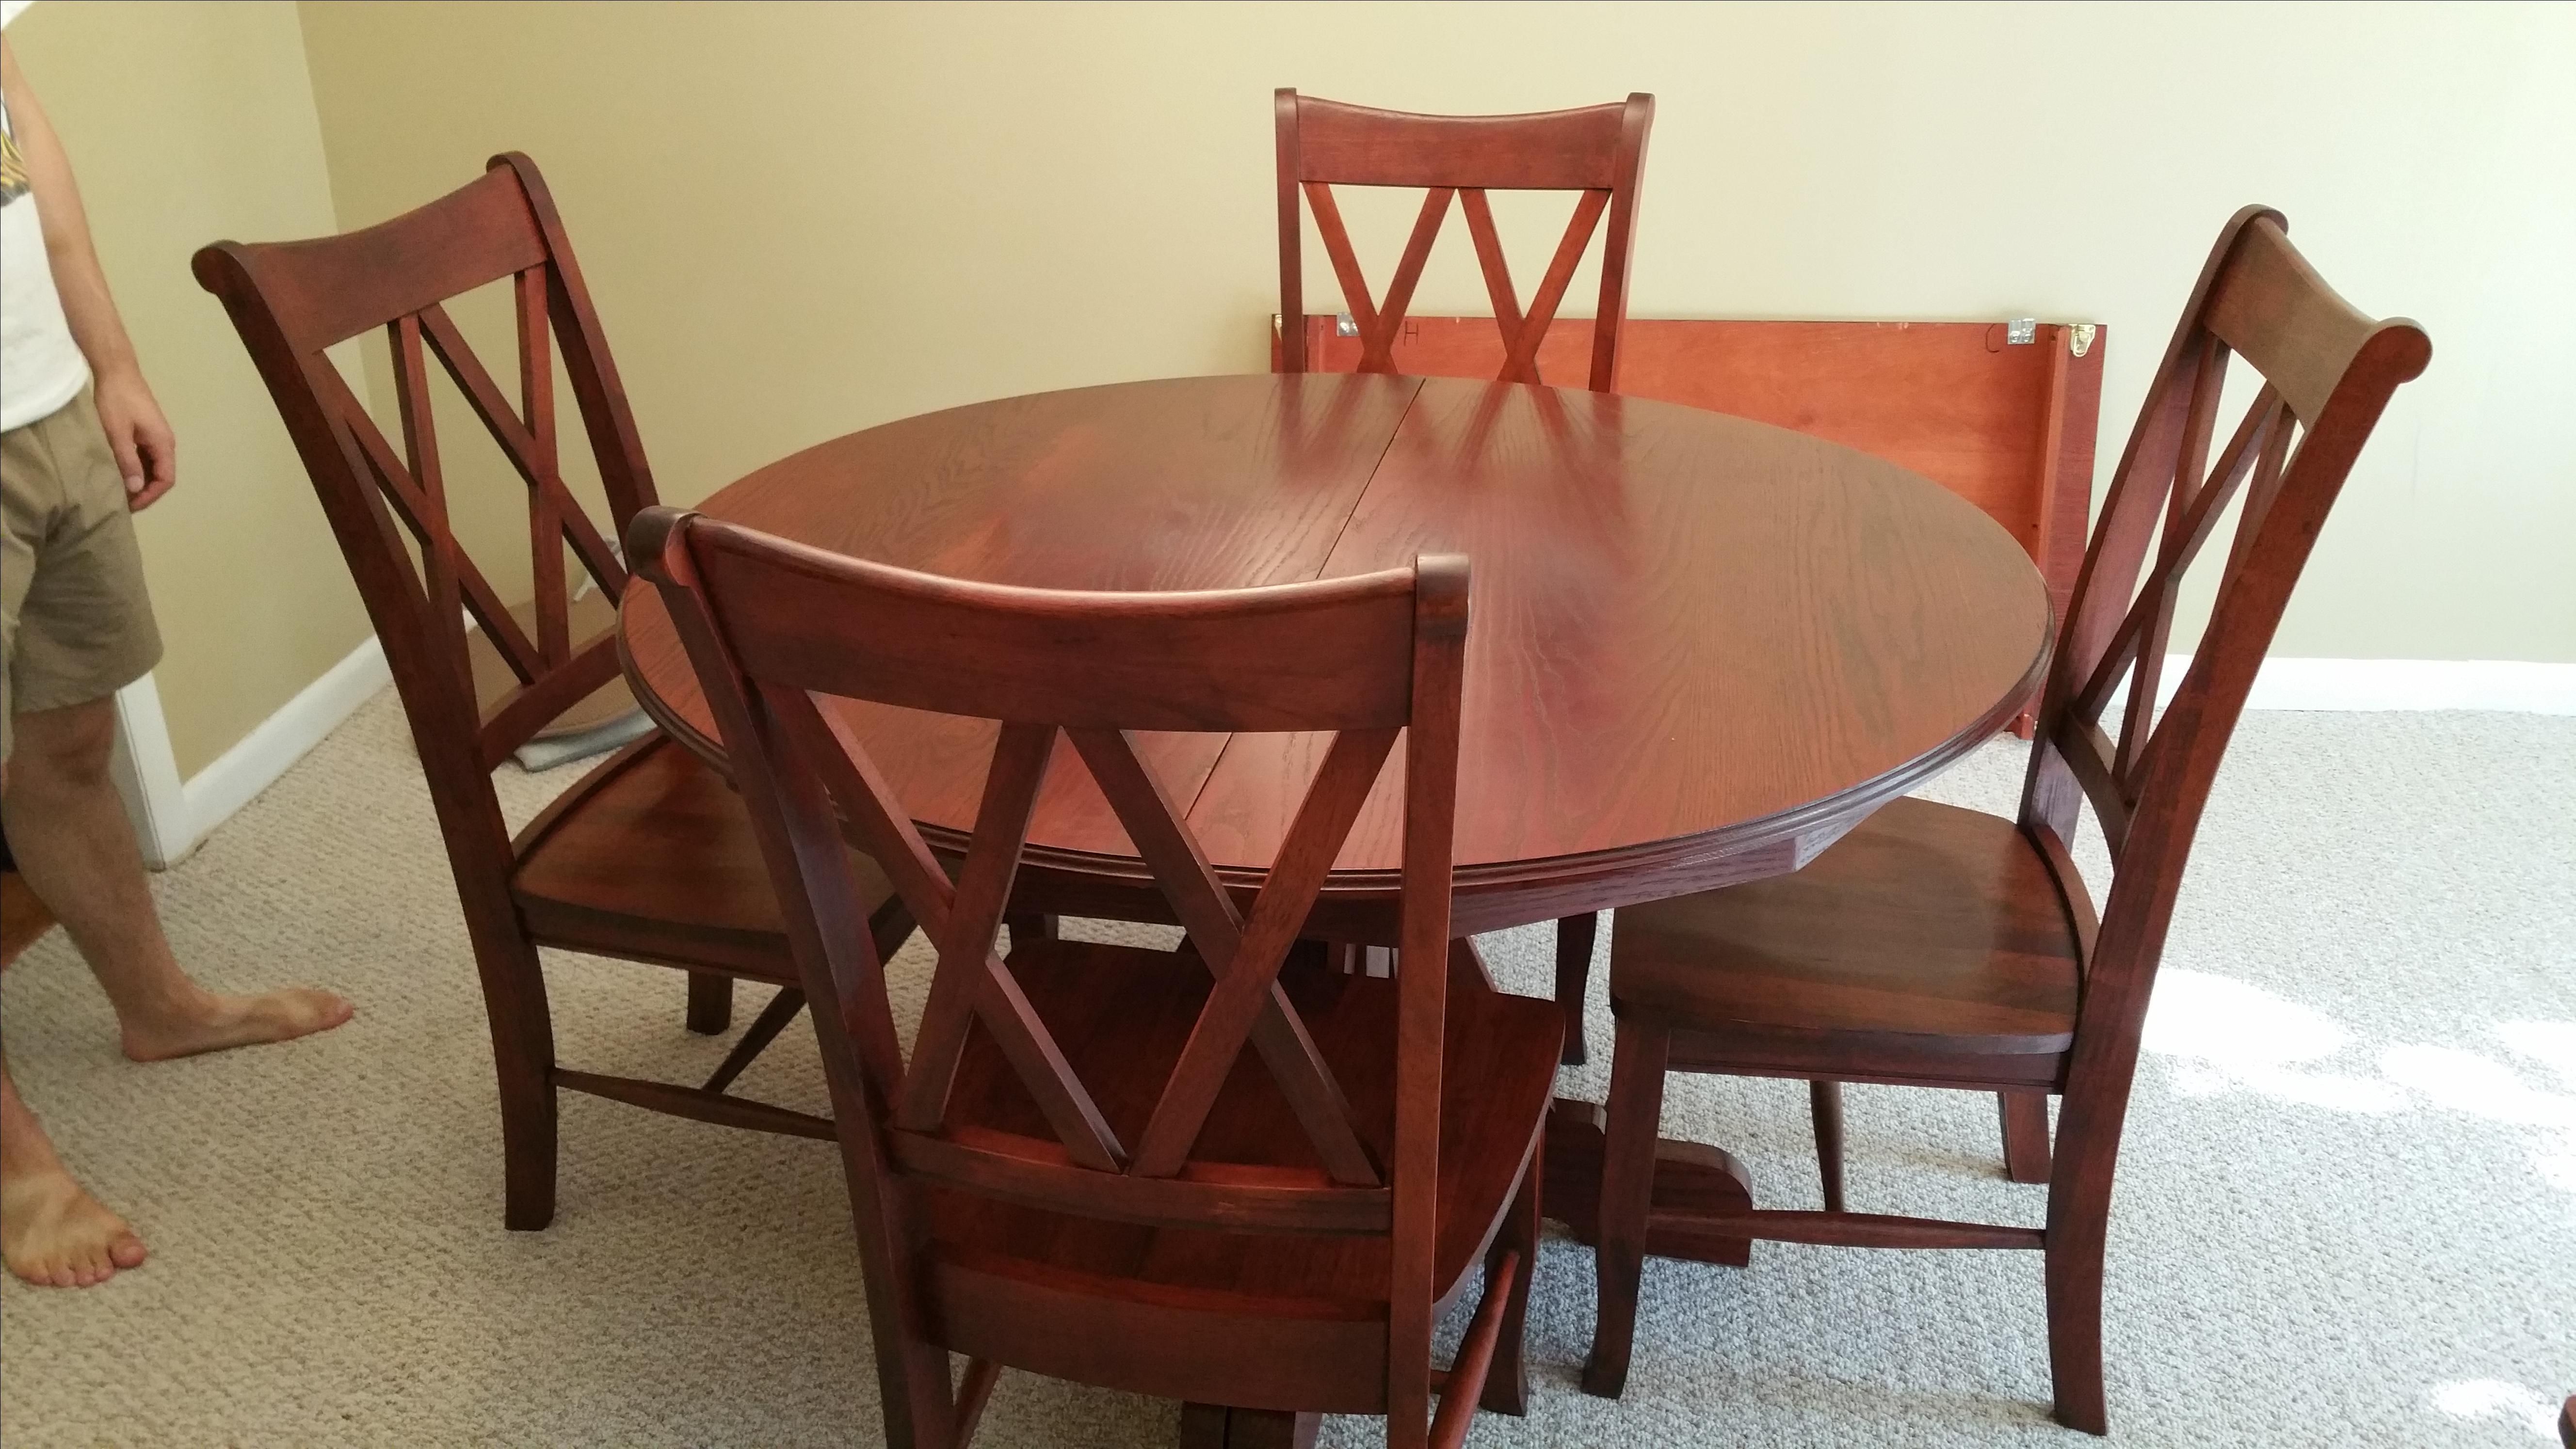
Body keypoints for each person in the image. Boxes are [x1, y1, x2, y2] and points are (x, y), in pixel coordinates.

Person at [0, 3, 352, 1289]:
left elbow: (20, 125)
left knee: (75, 733)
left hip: (41, 408)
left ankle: (157, 1006)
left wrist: (112, 360)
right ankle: (10, 1160)